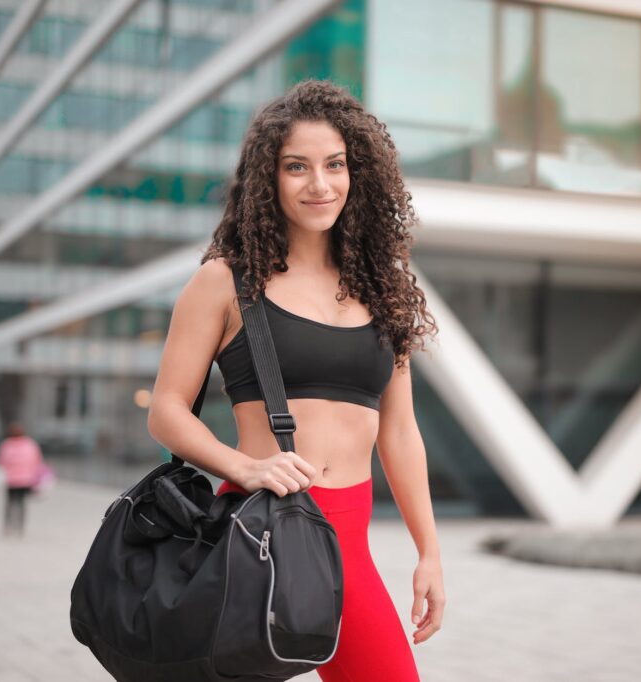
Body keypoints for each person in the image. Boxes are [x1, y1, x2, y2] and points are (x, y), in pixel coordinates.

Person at [147, 79, 443, 681]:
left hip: (348, 544)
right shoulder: (225, 282)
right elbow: (167, 411)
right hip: (253, 537)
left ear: (357, 172)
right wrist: (246, 467)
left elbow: (401, 433)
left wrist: (429, 551)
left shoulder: (383, 290)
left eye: (335, 165)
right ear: (268, 178)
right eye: (297, 167)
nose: (320, 184)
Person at [0, 421, 47, 538]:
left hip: (11, 480)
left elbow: (1, 462)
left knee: (10, 503)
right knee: (22, 504)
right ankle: (20, 526)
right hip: (25, 480)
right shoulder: (30, 445)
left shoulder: (6, 445)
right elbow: (37, 462)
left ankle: (8, 525)